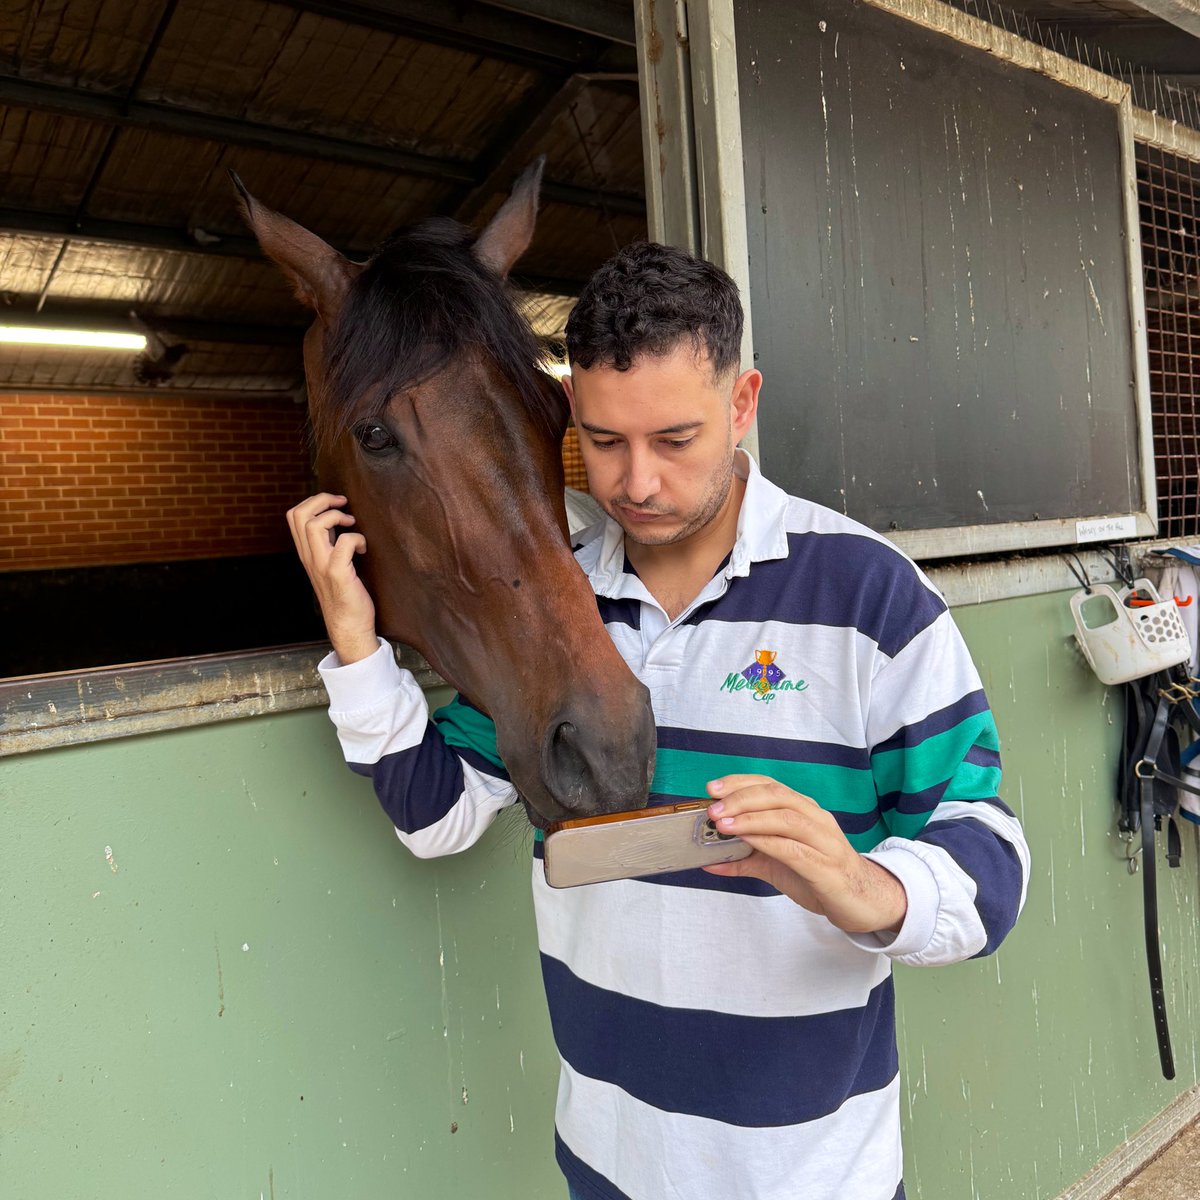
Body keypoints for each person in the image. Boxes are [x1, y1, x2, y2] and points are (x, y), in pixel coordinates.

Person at [287, 242, 1030, 1200]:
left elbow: (990, 859)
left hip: (808, 1176)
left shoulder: (868, 596)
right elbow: (439, 817)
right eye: (600, 441)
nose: (634, 484)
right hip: (608, 1163)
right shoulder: (557, 608)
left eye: (674, 440)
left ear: (742, 402)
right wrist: (357, 647)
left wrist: (860, 885)